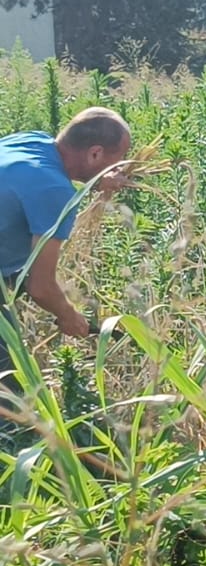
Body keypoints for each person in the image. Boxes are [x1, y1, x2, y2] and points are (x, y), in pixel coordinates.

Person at [0, 108, 132, 436]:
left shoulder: (33, 141)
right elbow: (40, 287)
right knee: (8, 385)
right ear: (95, 153)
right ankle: (22, 457)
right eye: (117, 160)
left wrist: (97, 179)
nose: (118, 168)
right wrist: (70, 316)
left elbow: (32, 180)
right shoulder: (54, 191)